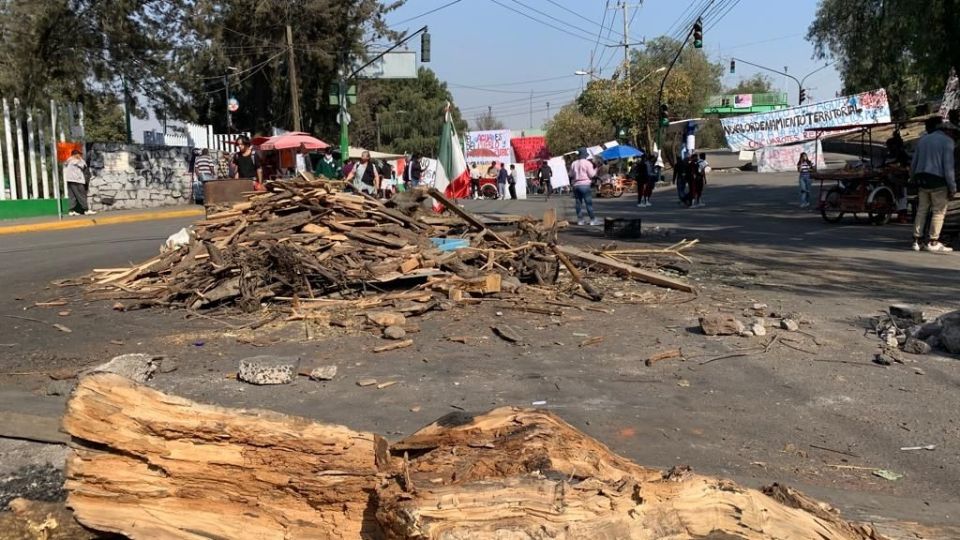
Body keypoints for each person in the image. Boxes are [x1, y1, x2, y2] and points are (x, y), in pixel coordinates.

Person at [910, 119, 957, 252]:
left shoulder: (923, 139)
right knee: (938, 211)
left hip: (922, 178)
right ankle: (933, 241)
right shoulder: (948, 142)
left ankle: (916, 240)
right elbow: (948, 167)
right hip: (938, 180)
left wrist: (912, 177)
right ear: (947, 130)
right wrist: (952, 187)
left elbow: (914, 162)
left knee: (922, 209)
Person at [569, 148, 599, 225]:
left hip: (576, 185)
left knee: (578, 203)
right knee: (588, 203)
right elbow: (592, 175)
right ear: (585, 155)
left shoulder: (574, 163)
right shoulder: (587, 163)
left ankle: (580, 220)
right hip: (585, 185)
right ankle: (592, 220)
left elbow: (571, 175)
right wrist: (596, 169)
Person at [64, 149, 94, 216]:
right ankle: (86, 210)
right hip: (77, 180)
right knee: (81, 195)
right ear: (75, 155)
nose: (80, 155)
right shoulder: (76, 161)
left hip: (70, 180)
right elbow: (84, 166)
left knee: (72, 196)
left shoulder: (69, 161)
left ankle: (71, 211)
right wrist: (81, 159)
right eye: (79, 154)